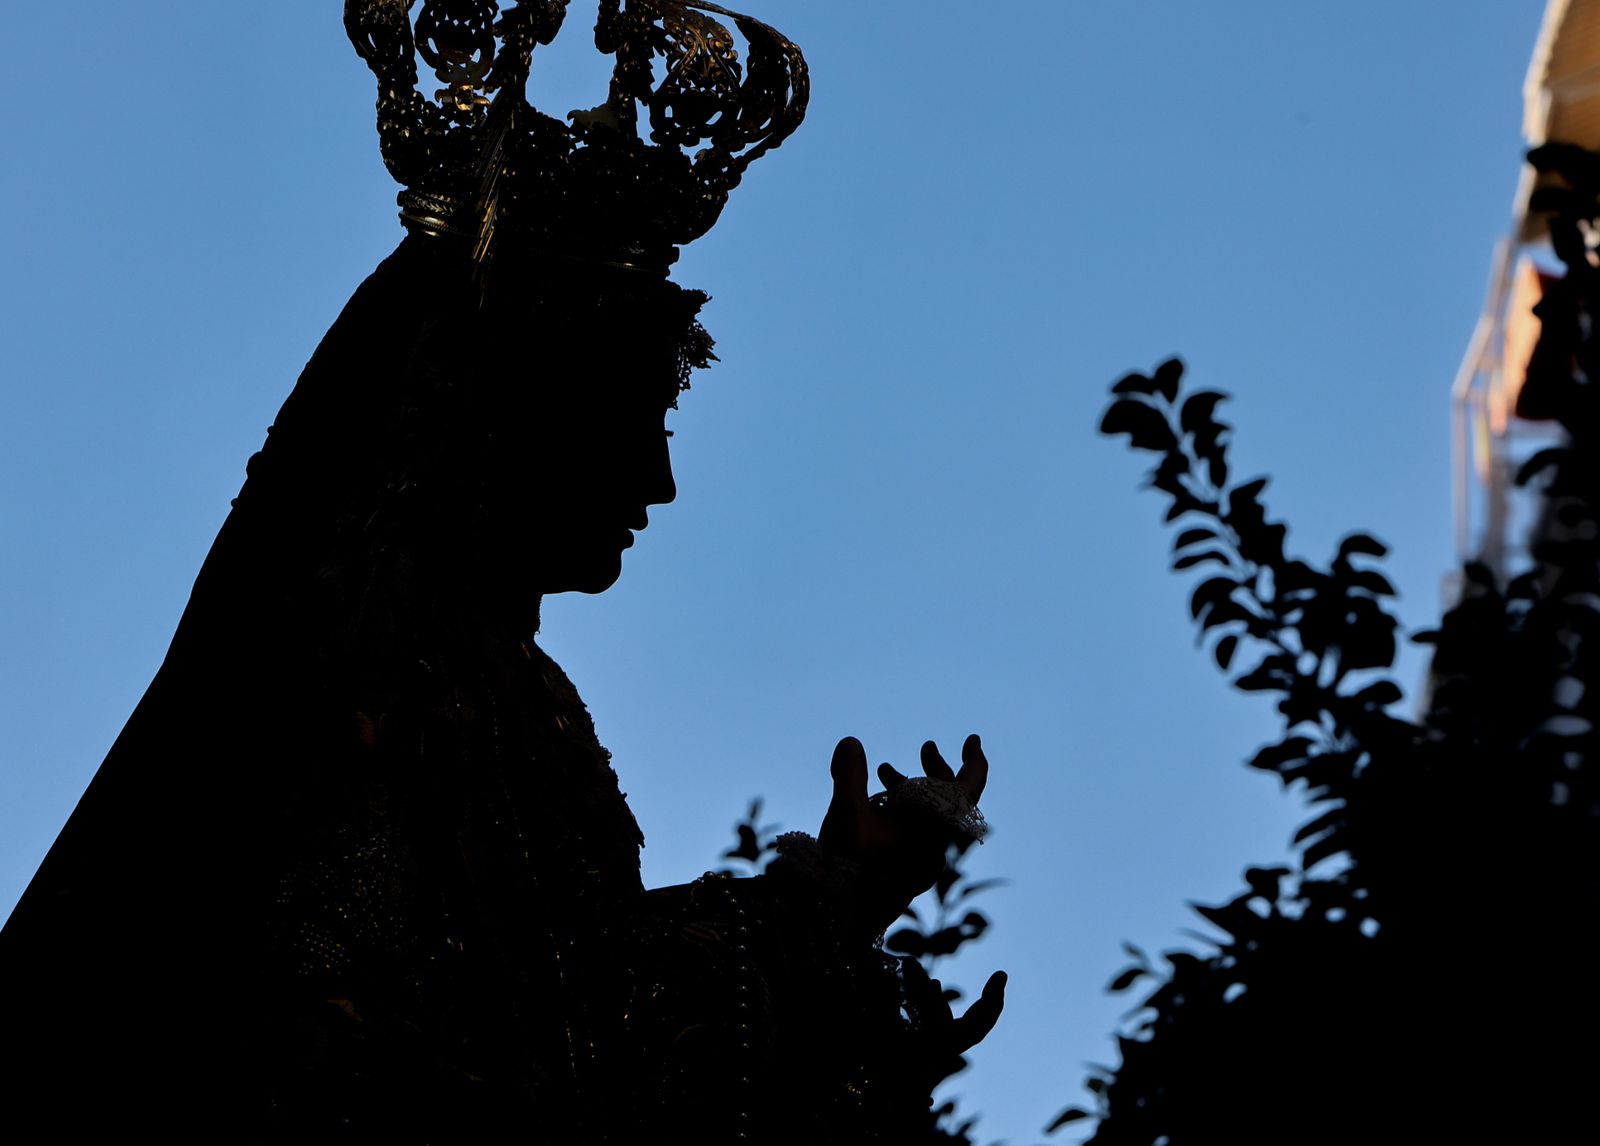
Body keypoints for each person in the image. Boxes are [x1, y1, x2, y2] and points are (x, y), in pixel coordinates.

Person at [0, 2, 1003, 1139]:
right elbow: (464, 1064)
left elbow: (582, 1006)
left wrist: (838, 900)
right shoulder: (351, 702)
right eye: (626, 417)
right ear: (493, 420)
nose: (658, 479)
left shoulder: (518, 703)